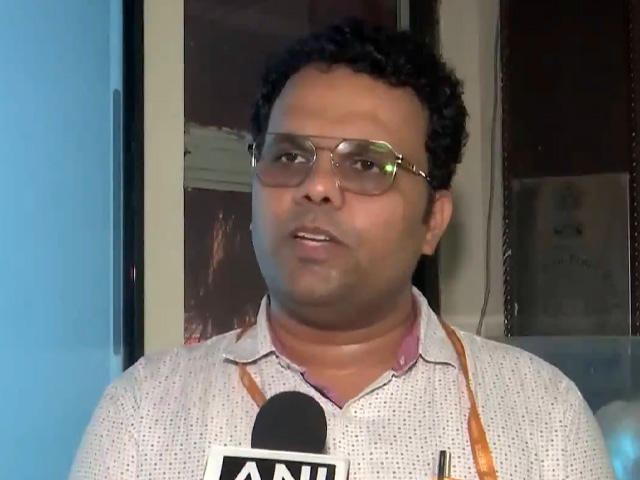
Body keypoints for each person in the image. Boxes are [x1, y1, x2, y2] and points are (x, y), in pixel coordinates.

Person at [70, 18, 615, 480]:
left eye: (365, 164)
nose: (317, 187)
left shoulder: (543, 418)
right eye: (289, 156)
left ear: (433, 220)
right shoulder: (145, 414)